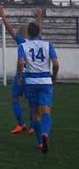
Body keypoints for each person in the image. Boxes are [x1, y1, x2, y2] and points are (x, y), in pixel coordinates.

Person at [0, 3, 42, 134]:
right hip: (33, 75)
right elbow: (40, 29)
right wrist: (39, 16)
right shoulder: (39, 40)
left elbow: (9, 29)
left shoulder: (22, 42)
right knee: (33, 103)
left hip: (22, 74)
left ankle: (21, 124)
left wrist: (2, 14)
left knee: (15, 98)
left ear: (23, 33)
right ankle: (33, 126)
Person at [17, 23, 59, 154]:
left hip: (31, 81)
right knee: (46, 112)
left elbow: (21, 62)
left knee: (35, 113)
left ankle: (40, 142)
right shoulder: (47, 45)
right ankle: (45, 134)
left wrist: (19, 76)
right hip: (46, 80)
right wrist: (54, 75)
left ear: (28, 33)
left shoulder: (23, 45)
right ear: (39, 32)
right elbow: (56, 63)